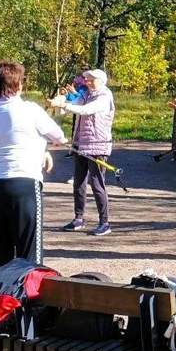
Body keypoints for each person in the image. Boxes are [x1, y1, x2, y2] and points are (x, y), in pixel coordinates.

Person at [0, 60, 66, 300]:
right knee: (29, 249)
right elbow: (59, 136)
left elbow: (11, 137)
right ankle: (29, 307)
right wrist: (44, 146)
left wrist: (41, 149)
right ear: (18, 84)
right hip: (22, 182)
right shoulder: (30, 109)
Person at [52, 69, 116, 236]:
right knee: (78, 183)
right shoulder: (86, 94)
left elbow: (86, 110)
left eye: (91, 79)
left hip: (98, 146)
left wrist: (63, 104)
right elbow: (69, 110)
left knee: (97, 184)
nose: (87, 82)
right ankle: (78, 219)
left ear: (101, 81)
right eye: (86, 79)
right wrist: (59, 102)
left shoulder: (104, 97)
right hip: (80, 145)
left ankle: (105, 222)